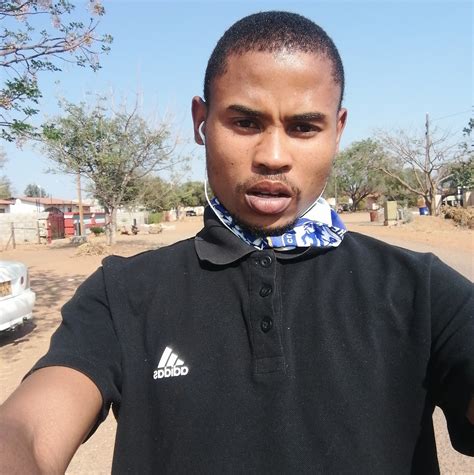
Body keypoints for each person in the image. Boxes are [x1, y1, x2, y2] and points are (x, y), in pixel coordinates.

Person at [0, 11, 473, 474]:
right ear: (201, 122)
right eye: (245, 123)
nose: (273, 157)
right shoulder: (121, 295)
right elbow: (29, 432)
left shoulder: (423, 291)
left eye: (304, 127)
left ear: (338, 130)